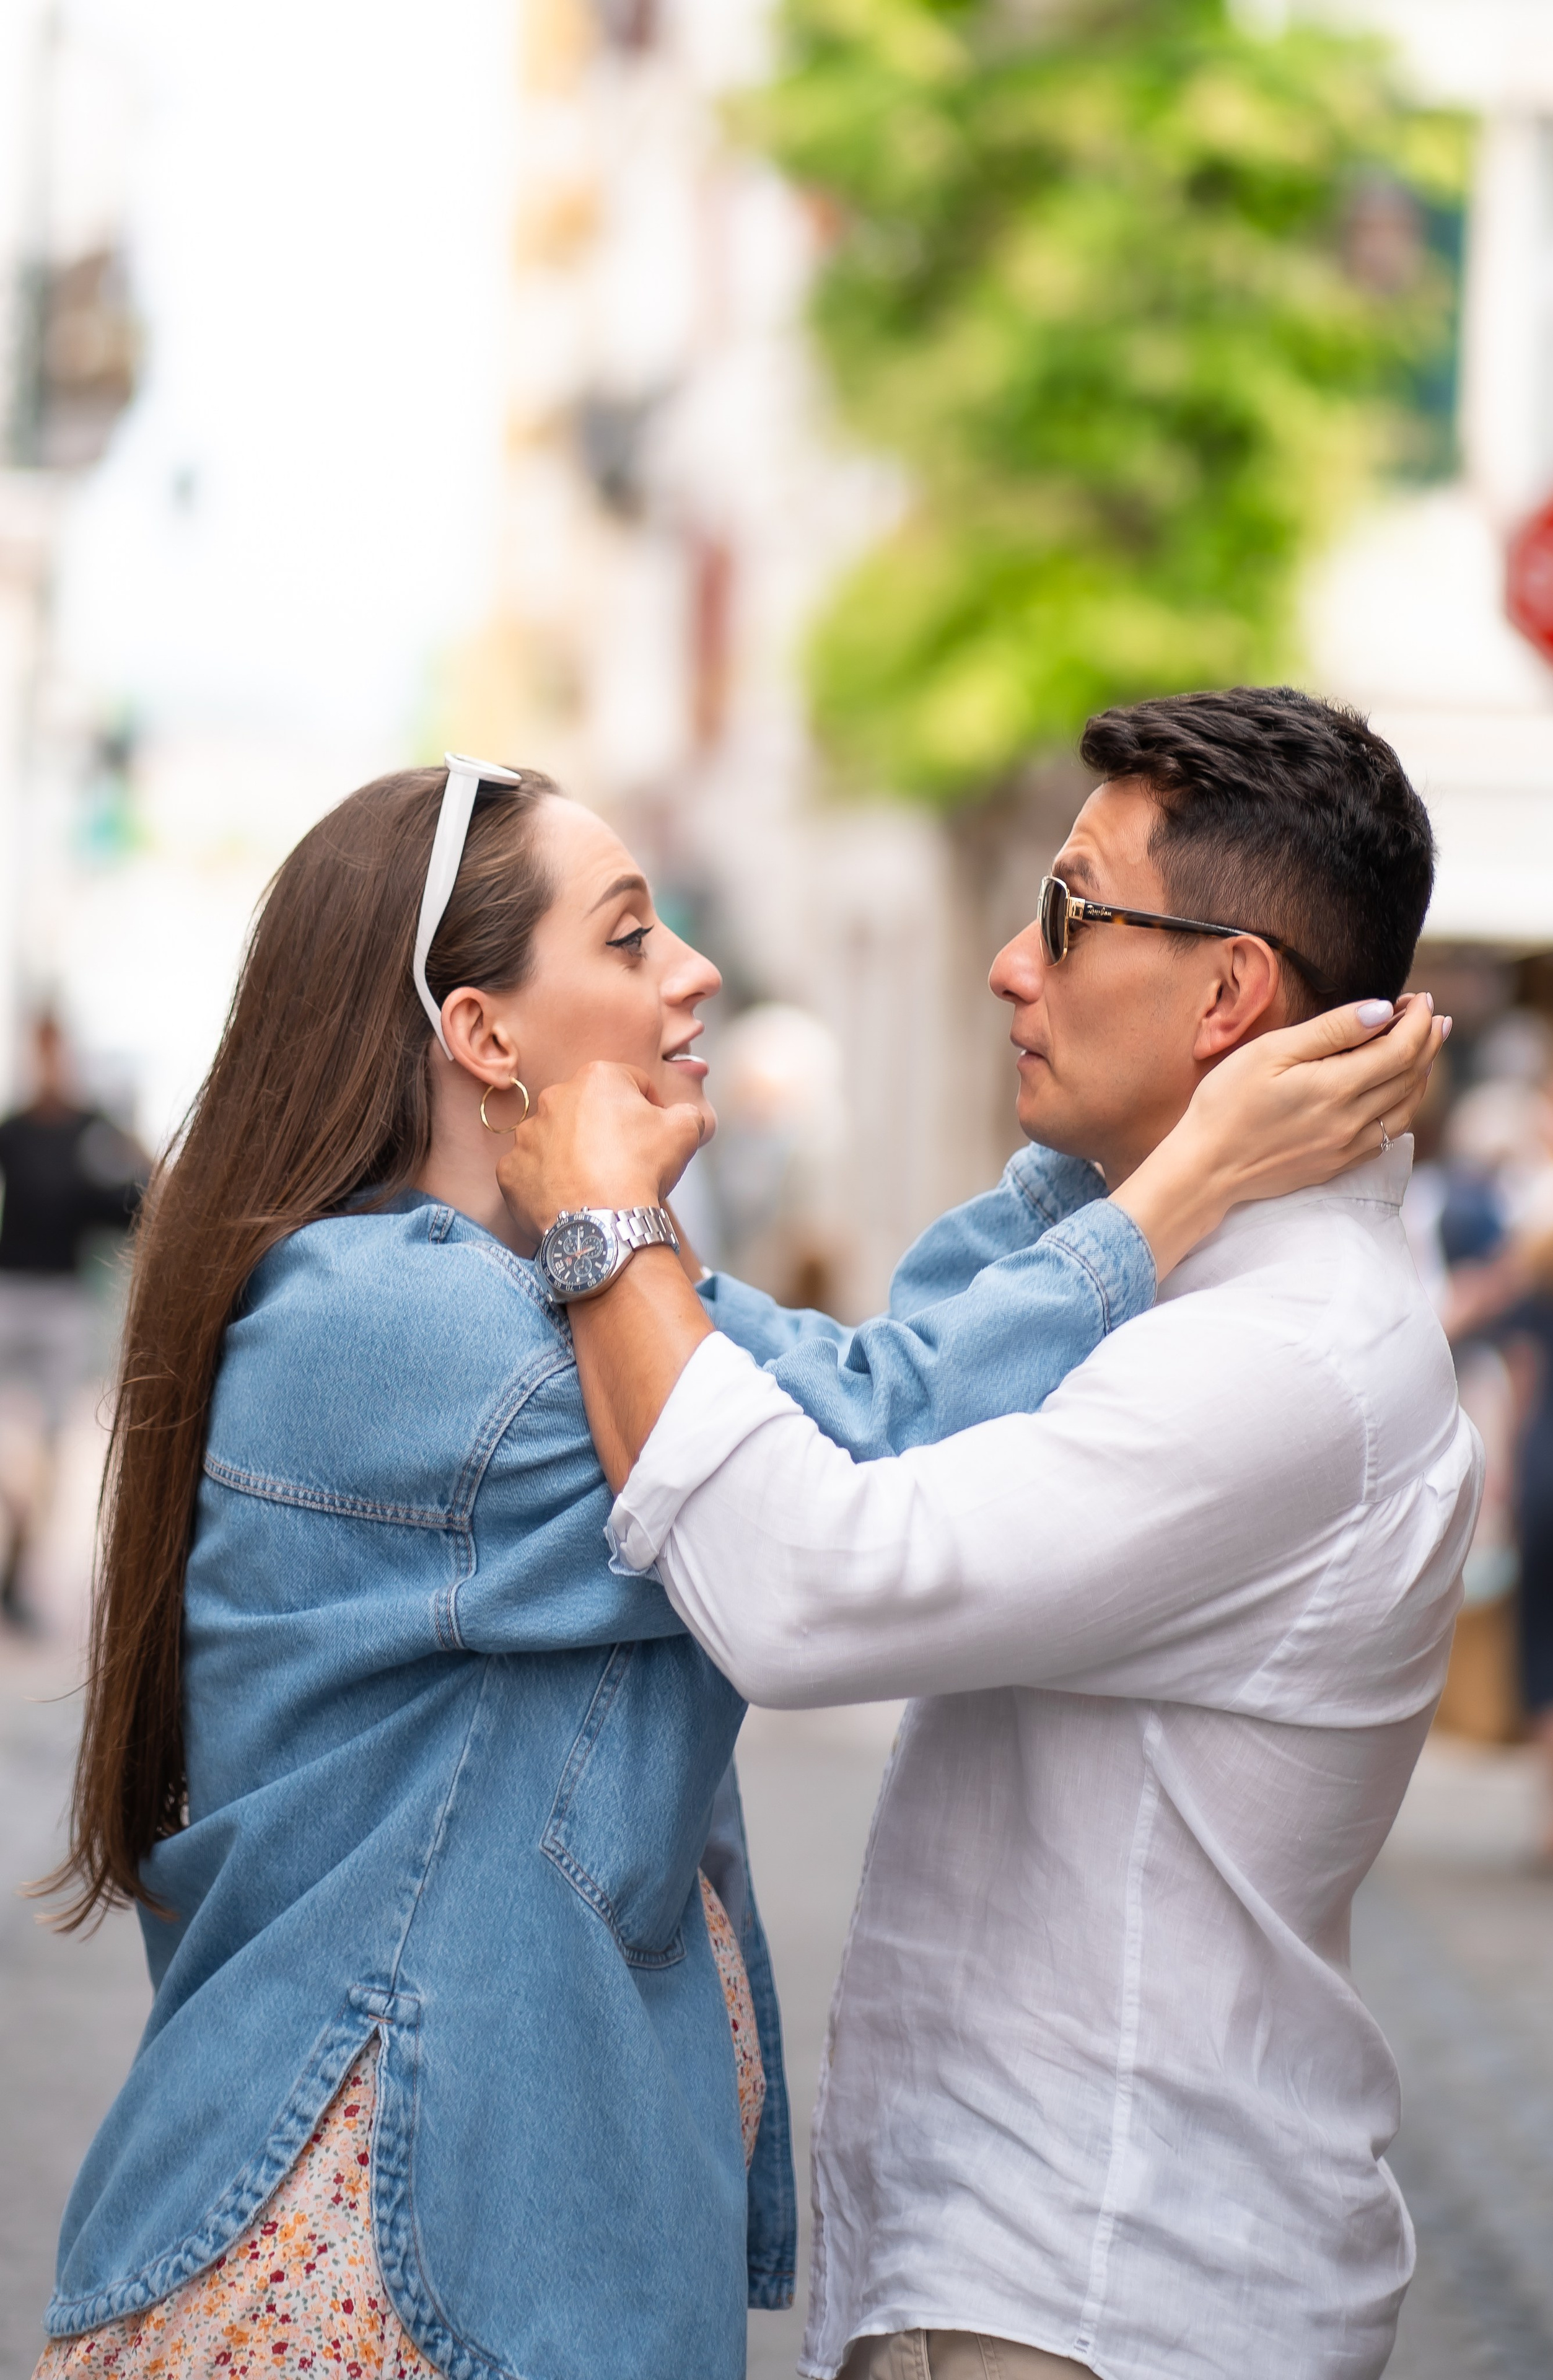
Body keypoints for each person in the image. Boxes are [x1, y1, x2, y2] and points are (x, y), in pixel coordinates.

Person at [34, 753, 1435, 2380]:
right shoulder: (406, 1328)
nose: (694, 970)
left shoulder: (564, 1299)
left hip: (464, 2240)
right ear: (484, 1036)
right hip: (374, 2256)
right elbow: (872, 1430)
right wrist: (1186, 1170)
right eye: (632, 939)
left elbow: (891, 1359)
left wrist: (1127, 1125)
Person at [499, 687, 1478, 2380]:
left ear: (1230, 992)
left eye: (1071, 915)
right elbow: (893, 1381)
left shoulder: (1279, 1356)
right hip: (1039, 2260)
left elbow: (811, 1591)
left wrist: (603, 1225)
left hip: (1099, 2289)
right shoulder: (1193, 1265)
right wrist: (1159, 1172)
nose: (1013, 966)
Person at [0, 1014, 146, 1630]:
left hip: (62, 1300)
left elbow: (129, 1200)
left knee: (52, 1445)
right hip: (13, 1292)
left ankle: (20, 1568)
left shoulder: (92, 1128)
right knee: (17, 1448)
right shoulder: (14, 1131)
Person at [1495, 1203, 1553, 1866]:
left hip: (1552, 1477)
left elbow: (1521, 1385)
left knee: (1549, 1642)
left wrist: (1507, 1478)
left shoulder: (1546, 1286)